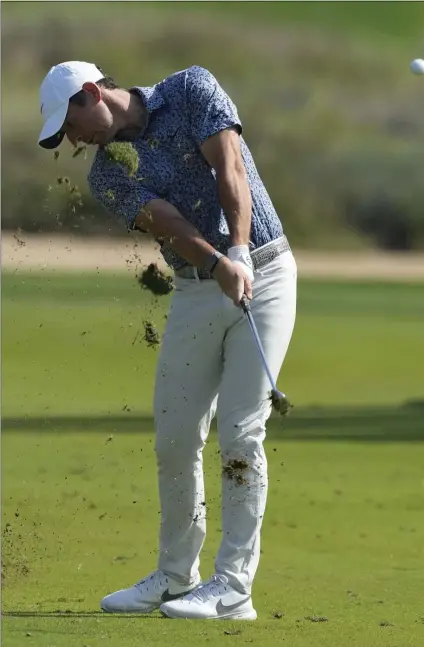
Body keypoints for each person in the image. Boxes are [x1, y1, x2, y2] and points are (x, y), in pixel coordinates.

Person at [38, 61, 297, 620]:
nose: (74, 141)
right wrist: (214, 262)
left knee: (240, 432)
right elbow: (167, 222)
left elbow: (229, 164)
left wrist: (238, 251)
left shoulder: (190, 89)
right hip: (195, 287)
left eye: (71, 125)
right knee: (176, 436)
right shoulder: (108, 174)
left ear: (92, 93)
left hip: (266, 272)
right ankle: (178, 576)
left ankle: (233, 588)